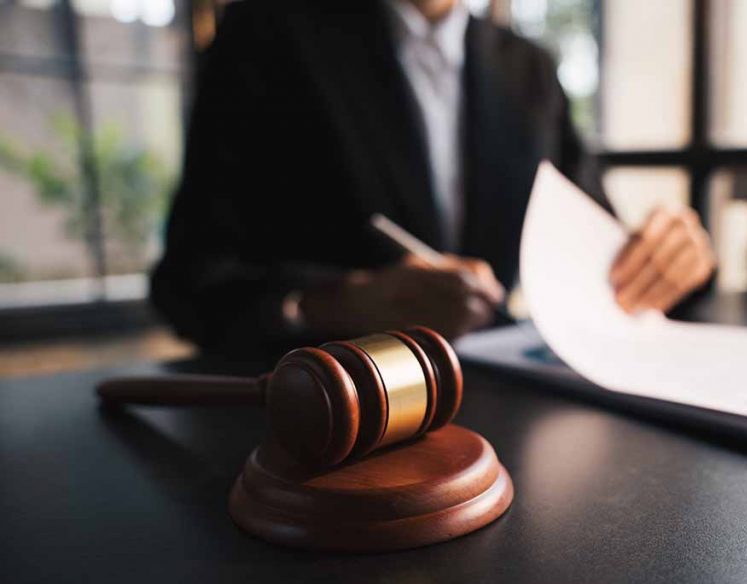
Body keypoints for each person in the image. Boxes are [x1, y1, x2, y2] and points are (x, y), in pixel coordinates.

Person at [151, 0, 715, 351]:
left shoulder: (529, 70)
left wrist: (671, 262)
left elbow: (604, 266)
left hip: (515, 431)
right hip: (330, 430)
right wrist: (334, 306)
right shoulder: (267, 39)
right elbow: (189, 282)